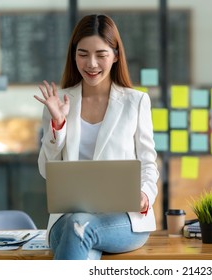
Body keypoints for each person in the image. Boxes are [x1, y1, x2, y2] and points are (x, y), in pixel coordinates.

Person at [34, 14, 159, 260]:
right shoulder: (58, 102)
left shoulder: (136, 102)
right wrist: (58, 124)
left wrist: (144, 194)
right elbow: (46, 170)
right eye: (83, 54)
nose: (91, 63)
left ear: (115, 56)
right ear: (73, 56)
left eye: (101, 55)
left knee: (82, 231)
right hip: (68, 219)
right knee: (80, 227)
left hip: (123, 219)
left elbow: (148, 163)